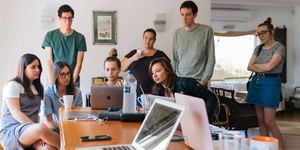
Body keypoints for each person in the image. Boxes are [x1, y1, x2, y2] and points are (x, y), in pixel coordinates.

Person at [0, 53, 60, 150]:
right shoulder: (13, 85)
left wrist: (37, 132)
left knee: (49, 148)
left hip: (31, 130)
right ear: (23, 69)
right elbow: (16, 113)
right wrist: (37, 129)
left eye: (38, 67)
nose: (38, 70)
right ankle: (69, 146)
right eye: (33, 67)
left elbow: (35, 114)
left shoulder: (38, 88)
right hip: (12, 132)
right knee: (42, 128)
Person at [246, 17, 285, 150]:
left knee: (269, 121)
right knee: (261, 120)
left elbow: (270, 68)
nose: (261, 36)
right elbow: (249, 66)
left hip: (271, 84)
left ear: (271, 32)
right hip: (256, 82)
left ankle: (280, 148)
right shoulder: (258, 48)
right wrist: (261, 66)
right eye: (258, 33)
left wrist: (257, 65)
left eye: (264, 32)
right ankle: (265, 147)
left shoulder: (280, 48)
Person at [149, 57, 218, 123]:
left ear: (167, 71)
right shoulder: (158, 90)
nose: (154, 75)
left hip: (195, 122)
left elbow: (211, 97)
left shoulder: (185, 83)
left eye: (157, 71)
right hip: (177, 123)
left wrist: (204, 116)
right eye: (152, 73)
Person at [42, 4, 87, 87]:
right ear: (59, 18)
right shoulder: (50, 36)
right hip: (55, 79)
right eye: (64, 18)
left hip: (72, 79)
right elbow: (49, 61)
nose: (67, 22)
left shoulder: (80, 38)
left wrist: (72, 84)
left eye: (70, 18)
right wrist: (51, 82)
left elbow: (79, 63)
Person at [172, 1, 215, 87]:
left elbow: (211, 58)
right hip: (180, 80)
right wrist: (172, 79)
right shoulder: (177, 33)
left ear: (195, 15)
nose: (184, 18)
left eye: (188, 15)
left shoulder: (206, 30)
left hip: (198, 81)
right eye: (182, 14)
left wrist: (204, 80)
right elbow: (174, 59)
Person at [121, 28, 170, 104]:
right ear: (142, 38)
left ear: (154, 40)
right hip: (134, 94)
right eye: (146, 38)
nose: (148, 40)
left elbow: (169, 71)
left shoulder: (160, 54)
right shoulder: (134, 52)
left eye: (151, 39)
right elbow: (121, 68)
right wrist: (133, 58)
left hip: (155, 94)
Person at [41, 61, 82, 134]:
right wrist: (64, 127)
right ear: (56, 76)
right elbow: (49, 123)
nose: (67, 77)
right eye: (63, 74)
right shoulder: (47, 93)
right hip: (54, 128)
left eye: (68, 73)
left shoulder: (77, 92)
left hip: (73, 127)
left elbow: (79, 116)